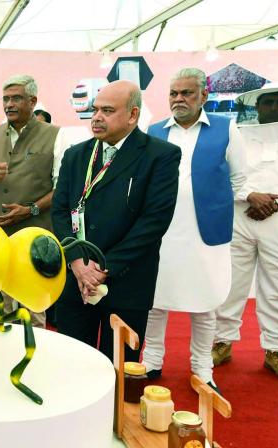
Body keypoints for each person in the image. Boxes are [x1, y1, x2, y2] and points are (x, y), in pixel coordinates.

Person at [51, 80, 181, 362]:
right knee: (73, 364)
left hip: (127, 282)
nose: (97, 117)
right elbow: (60, 211)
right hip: (76, 281)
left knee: (119, 369)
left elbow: (154, 221)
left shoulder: (160, 156)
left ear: (133, 115)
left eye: (107, 111)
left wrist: (103, 268)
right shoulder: (76, 156)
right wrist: (76, 261)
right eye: (95, 110)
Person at [142, 68, 248, 392]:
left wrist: (212, 204)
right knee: (154, 300)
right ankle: (152, 361)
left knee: (205, 301)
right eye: (173, 93)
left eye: (186, 93)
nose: (178, 99)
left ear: (203, 95)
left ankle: (202, 368)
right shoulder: (154, 131)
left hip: (206, 232)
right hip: (162, 232)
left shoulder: (226, 128)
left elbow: (238, 178)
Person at [0, 74, 67, 327]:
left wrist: (31, 210)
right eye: (6, 99)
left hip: (35, 239)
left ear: (32, 101)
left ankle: (34, 351)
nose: (9, 104)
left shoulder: (55, 136)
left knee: (33, 310)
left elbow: (62, 189)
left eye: (16, 99)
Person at [213, 82, 278, 381]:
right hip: (240, 215)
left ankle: (275, 351)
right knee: (230, 283)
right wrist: (249, 195)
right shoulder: (238, 136)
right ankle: (222, 342)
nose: (274, 107)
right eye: (268, 102)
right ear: (257, 106)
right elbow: (223, 173)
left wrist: (274, 202)